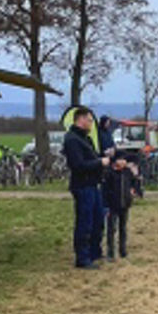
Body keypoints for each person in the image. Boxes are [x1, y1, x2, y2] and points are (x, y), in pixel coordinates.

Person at [63, 107, 108, 269]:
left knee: (98, 221)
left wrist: (105, 158)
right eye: (89, 120)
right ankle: (82, 258)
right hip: (82, 186)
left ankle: (95, 252)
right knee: (85, 222)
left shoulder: (86, 139)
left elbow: (92, 157)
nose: (91, 124)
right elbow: (78, 165)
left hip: (94, 185)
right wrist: (99, 162)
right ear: (80, 120)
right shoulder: (72, 140)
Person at [102, 156, 137, 260]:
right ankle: (110, 252)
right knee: (111, 229)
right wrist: (106, 205)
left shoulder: (127, 172)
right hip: (112, 205)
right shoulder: (109, 173)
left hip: (125, 204)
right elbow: (104, 190)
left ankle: (123, 250)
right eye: (120, 160)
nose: (123, 162)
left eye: (124, 160)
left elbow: (134, 183)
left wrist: (133, 190)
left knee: (123, 228)